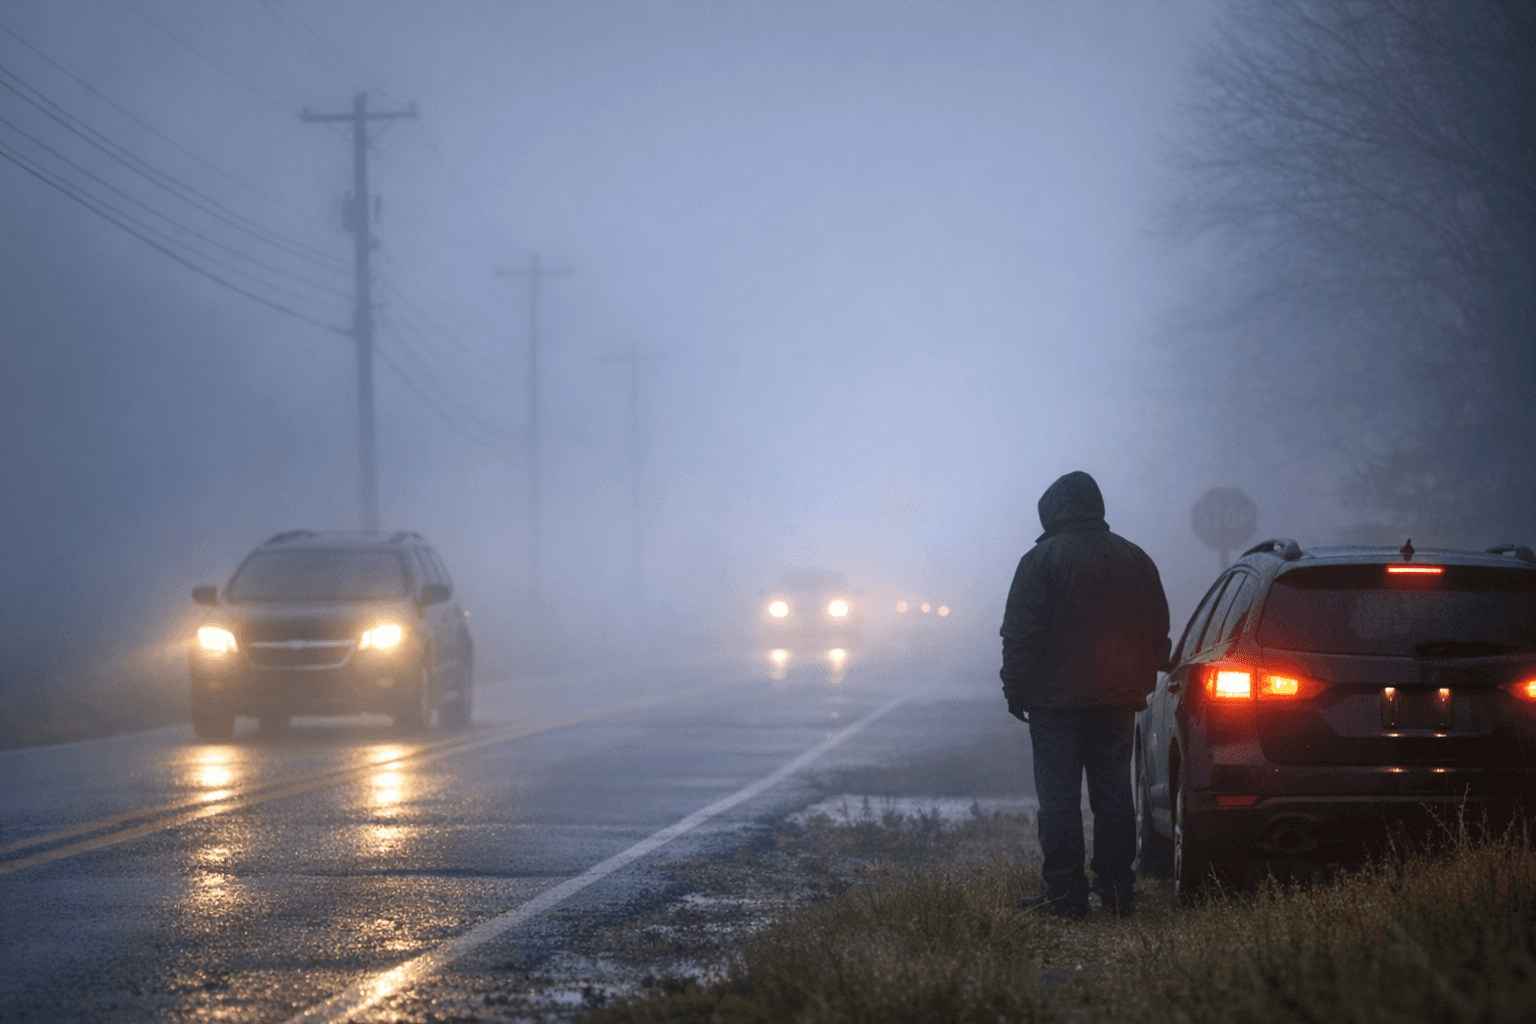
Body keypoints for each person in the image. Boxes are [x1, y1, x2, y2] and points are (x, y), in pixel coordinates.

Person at [1000, 471, 1170, 918]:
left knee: (1059, 801)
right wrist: (1141, 677)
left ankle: (1064, 895)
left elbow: (1020, 636)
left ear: (1053, 511)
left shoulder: (1041, 561)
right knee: (1114, 795)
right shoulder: (1136, 559)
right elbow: (1158, 631)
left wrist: (1015, 690)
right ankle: (1116, 890)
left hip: (1055, 702)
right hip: (1117, 700)